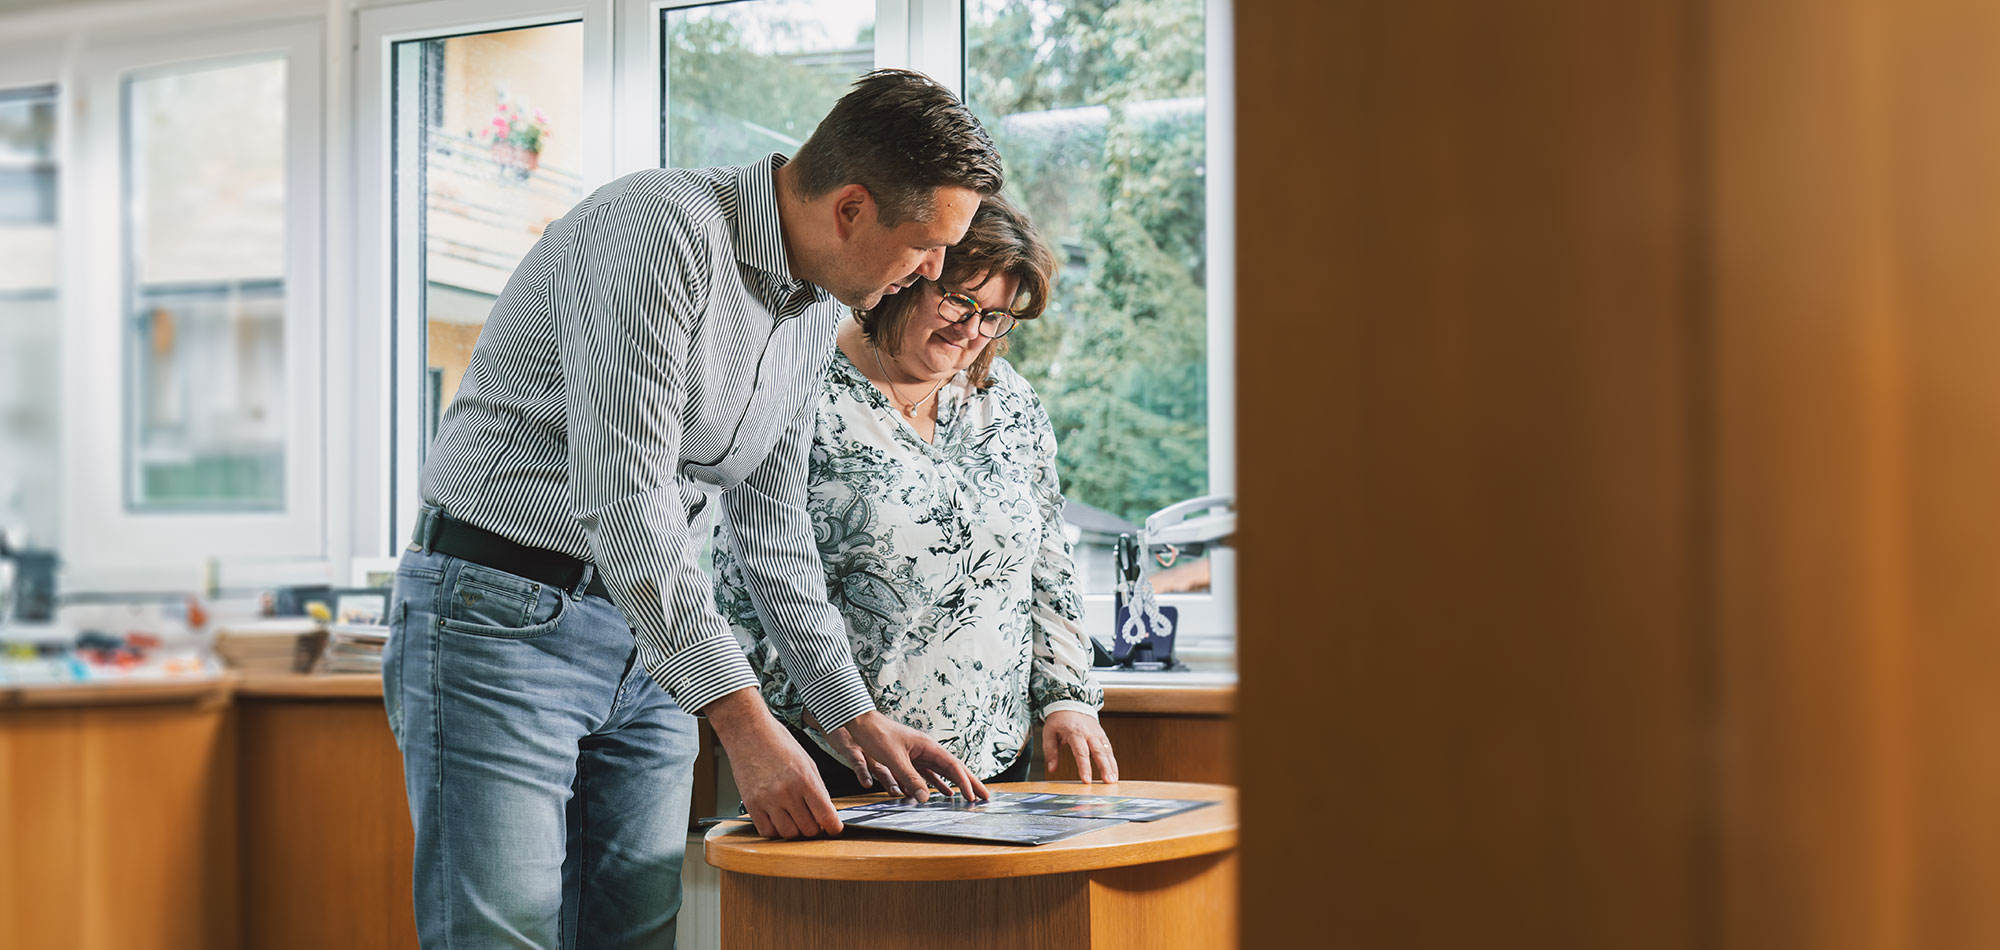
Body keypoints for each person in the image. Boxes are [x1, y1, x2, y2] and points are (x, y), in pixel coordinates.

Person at [382, 70, 1001, 949]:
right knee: (503, 935)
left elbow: (775, 539)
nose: (934, 273)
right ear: (851, 208)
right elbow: (624, 499)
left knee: (637, 934)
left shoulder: (805, 311)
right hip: (500, 618)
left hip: (654, 645)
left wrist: (853, 718)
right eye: (928, 245)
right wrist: (746, 725)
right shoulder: (659, 230)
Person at [713, 195, 1119, 799]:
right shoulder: (802, 377)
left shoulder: (1007, 402)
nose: (971, 329)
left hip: (992, 757)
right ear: (912, 275)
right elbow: (748, 567)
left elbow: (1049, 560)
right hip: (836, 749)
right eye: (959, 298)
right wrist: (809, 714)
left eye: (994, 315)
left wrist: (1068, 697)